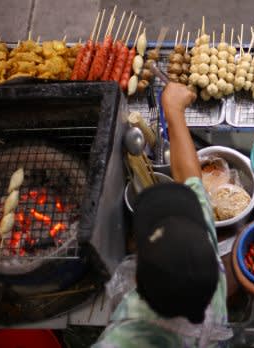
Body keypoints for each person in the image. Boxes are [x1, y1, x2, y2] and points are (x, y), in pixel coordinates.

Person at [93, 83, 230, 347]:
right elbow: (191, 179)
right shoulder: (208, 265)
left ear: (136, 282)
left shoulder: (122, 338)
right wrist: (174, 111)